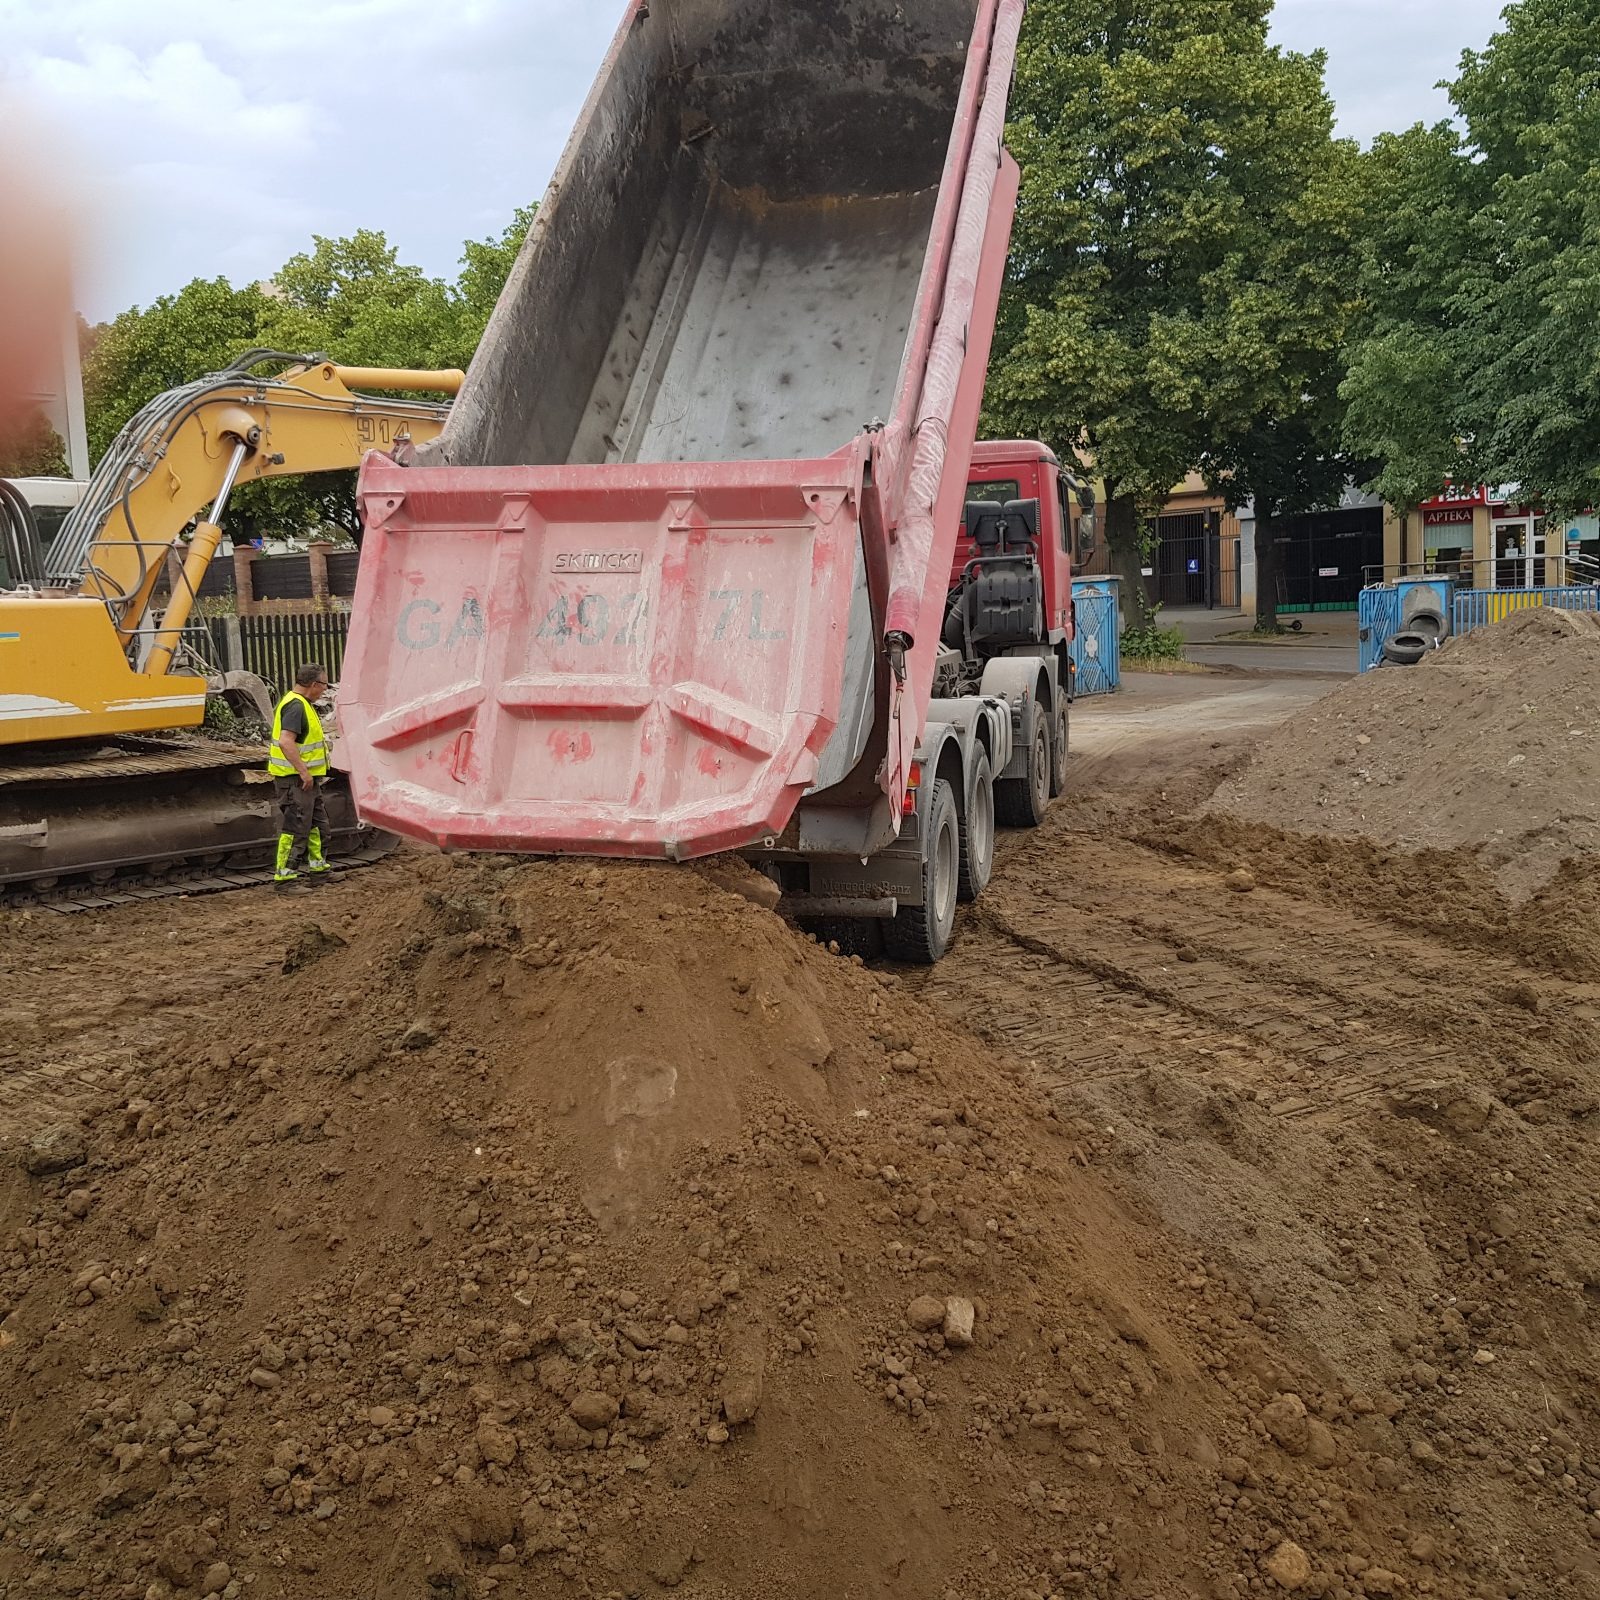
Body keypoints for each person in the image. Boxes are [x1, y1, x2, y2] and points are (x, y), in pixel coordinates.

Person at [268, 664, 333, 891]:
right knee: (296, 828)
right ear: (314, 684)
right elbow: (287, 741)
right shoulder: (296, 706)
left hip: (306, 781)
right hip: (295, 780)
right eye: (324, 684)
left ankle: (319, 870)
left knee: (317, 825)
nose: (325, 690)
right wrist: (304, 772)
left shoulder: (302, 704)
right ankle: (285, 879)